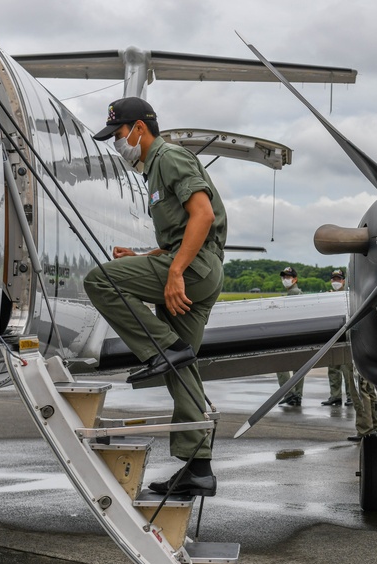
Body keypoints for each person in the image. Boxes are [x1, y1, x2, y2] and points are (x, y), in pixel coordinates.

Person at [84, 97, 226, 497]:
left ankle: (163, 348)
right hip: (199, 269)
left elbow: (203, 216)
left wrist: (175, 272)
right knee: (183, 368)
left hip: (195, 271)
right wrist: (148, 257)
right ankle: (198, 468)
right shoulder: (153, 172)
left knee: (100, 282)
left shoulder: (169, 158)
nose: (117, 142)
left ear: (138, 130)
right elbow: (182, 233)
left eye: (118, 134)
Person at [323, 269, 356, 407]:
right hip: (332, 336)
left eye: (338, 279)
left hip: (345, 337)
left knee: (347, 369)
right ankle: (335, 395)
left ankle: (351, 397)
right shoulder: (328, 297)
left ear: (343, 281)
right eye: (334, 279)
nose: (336, 282)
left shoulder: (348, 296)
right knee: (332, 368)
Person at [277, 266, 305, 407]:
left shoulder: (292, 294)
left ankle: (289, 394)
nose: (285, 280)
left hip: (290, 334)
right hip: (300, 334)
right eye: (284, 277)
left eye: (288, 277)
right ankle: (297, 395)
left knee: (280, 365)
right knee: (298, 367)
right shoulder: (300, 292)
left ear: (295, 279)